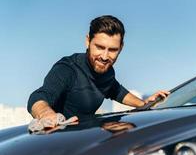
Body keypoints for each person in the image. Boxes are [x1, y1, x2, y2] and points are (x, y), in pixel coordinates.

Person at [27, 15, 169, 128]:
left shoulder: (107, 72)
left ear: (121, 48)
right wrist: (46, 114)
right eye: (100, 47)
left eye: (113, 50)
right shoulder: (67, 68)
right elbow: (39, 96)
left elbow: (116, 90)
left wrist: (144, 104)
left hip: (88, 142)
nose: (105, 57)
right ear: (88, 41)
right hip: (59, 140)